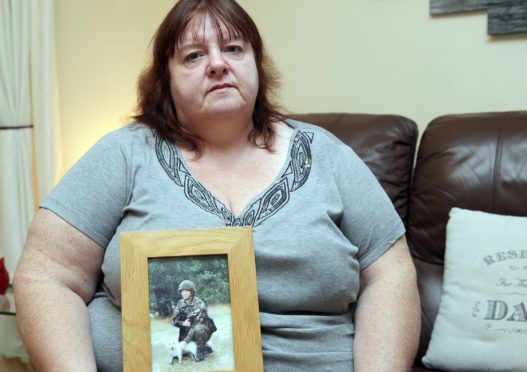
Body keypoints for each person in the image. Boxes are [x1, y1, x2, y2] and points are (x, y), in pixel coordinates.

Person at [14, 0, 421, 371]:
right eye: (193, 55)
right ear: (165, 81)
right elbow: (47, 275)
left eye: (234, 49)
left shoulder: (329, 156)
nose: (217, 64)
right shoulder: (122, 154)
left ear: (256, 65)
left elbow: (390, 275)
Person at [171, 280, 216, 362]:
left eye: (186, 291)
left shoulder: (200, 304)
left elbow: (197, 324)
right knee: (184, 350)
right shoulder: (180, 303)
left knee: (198, 329)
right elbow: (173, 320)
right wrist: (182, 323)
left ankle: (201, 352)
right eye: (182, 291)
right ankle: (204, 346)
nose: (184, 293)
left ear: (192, 292)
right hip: (187, 332)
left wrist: (185, 341)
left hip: (202, 330)